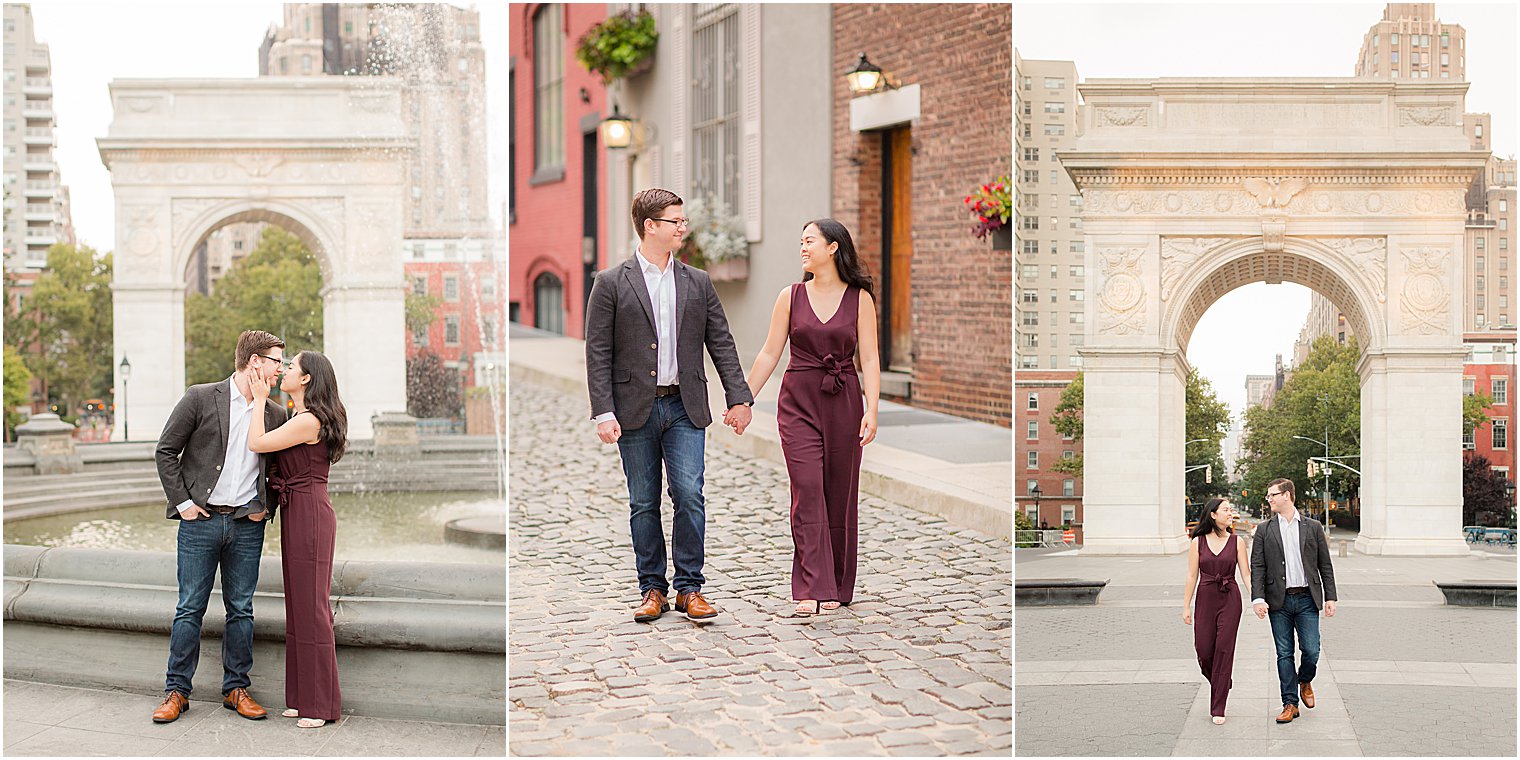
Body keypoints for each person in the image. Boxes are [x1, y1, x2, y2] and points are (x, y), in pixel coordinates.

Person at [585, 188, 754, 623]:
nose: (684, 227)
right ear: (650, 226)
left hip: (684, 406)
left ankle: (689, 589)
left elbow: (721, 341)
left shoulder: (697, 281)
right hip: (633, 410)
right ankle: (652, 590)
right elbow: (598, 350)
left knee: (689, 495)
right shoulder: (610, 282)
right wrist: (604, 411)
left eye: (683, 220)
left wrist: (739, 397)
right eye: (675, 221)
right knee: (643, 502)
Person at [736, 219, 881, 618]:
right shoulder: (791, 296)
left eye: (809, 241)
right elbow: (769, 353)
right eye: (800, 241)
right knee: (807, 489)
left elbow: (868, 357)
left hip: (844, 402)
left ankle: (835, 582)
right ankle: (811, 584)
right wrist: (742, 400)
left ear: (833, 248)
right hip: (798, 401)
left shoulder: (859, 299)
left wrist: (872, 409)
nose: (802, 248)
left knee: (839, 491)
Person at [152, 330, 288, 724]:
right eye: (276, 360)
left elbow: (279, 472)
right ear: (255, 362)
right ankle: (176, 691)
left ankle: (236, 689)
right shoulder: (200, 397)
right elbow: (166, 451)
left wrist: (267, 508)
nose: (281, 368)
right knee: (189, 608)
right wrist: (184, 503)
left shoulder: (276, 413)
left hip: (247, 524)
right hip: (202, 521)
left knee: (241, 610)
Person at [247, 350, 347, 728]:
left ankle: (320, 705)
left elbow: (257, 442)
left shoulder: (309, 421)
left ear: (306, 379)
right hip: (297, 510)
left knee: (314, 608)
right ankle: (302, 698)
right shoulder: (298, 417)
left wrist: (259, 401)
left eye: (291, 367)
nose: (285, 370)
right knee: (298, 607)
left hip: (310, 514)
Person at [1250, 478, 1338, 724]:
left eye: (1272, 495)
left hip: (1307, 599)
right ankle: (1289, 703)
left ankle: (1305, 679)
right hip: (1278, 601)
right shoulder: (1264, 530)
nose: (1269, 499)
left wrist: (1330, 596)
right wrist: (1258, 598)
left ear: (1287, 495)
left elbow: (1324, 565)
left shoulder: (1313, 527)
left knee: (1311, 650)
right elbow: (1257, 566)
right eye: (1268, 496)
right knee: (1284, 653)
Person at [1182, 497, 1251, 725]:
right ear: (1213, 514)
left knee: (1224, 650)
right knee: (1203, 649)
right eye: (1226, 510)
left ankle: (1218, 706)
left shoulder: (1237, 541)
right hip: (1205, 597)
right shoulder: (1198, 542)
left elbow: (1246, 575)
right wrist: (1186, 607)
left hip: (1230, 598)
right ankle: (1222, 681)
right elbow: (1192, 576)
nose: (1230, 513)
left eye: (1231, 510)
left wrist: (1257, 598)